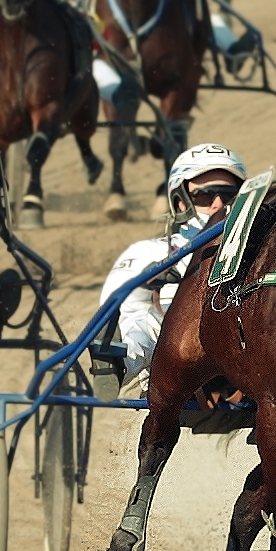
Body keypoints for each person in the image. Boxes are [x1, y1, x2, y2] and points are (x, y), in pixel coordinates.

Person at [97, 143, 248, 390]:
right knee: (144, 319)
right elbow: (117, 307)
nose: (219, 205)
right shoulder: (152, 251)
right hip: (171, 343)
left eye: (229, 196)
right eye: (205, 195)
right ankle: (117, 363)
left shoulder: (259, 247)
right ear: (181, 203)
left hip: (238, 339)